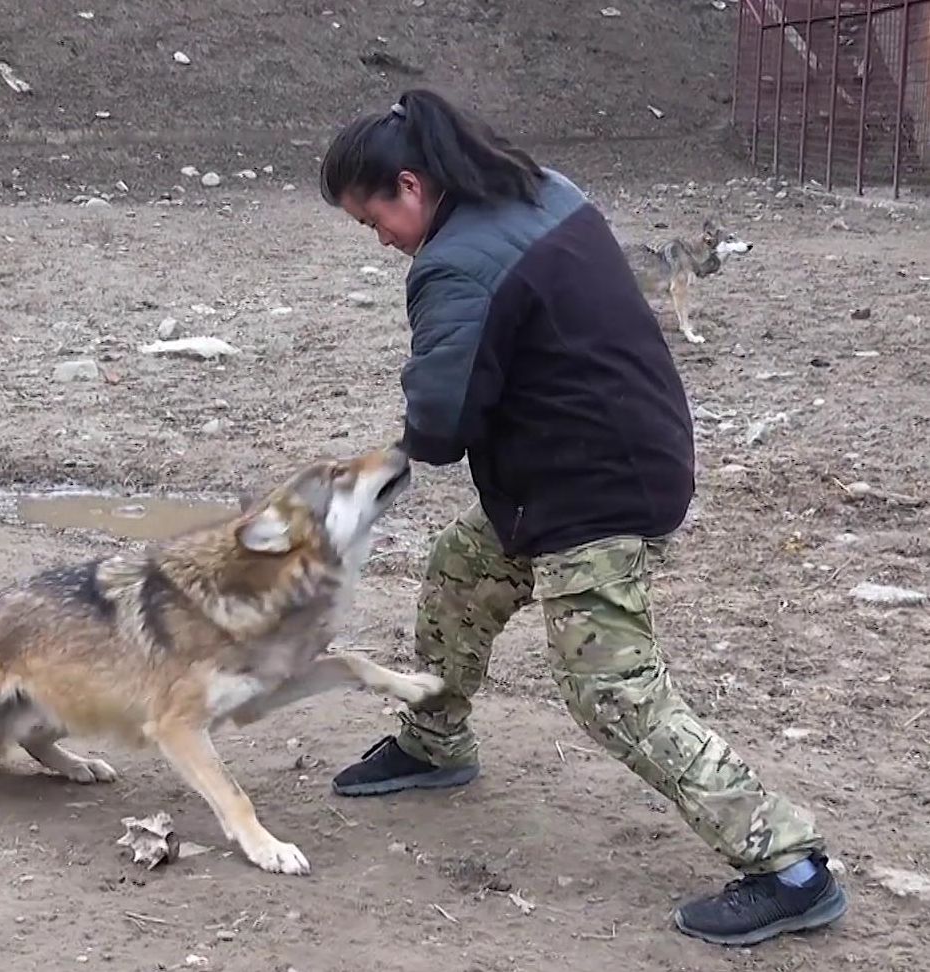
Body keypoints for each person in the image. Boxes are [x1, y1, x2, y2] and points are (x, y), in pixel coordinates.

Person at [317, 87, 846, 946]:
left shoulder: (453, 266)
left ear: (409, 187)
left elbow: (442, 427)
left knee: (606, 687)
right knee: (462, 573)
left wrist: (405, 426)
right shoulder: (539, 188)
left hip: (594, 486)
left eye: (369, 218)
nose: (376, 239)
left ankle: (789, 864)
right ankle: (434, 740)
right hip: (593, 459)